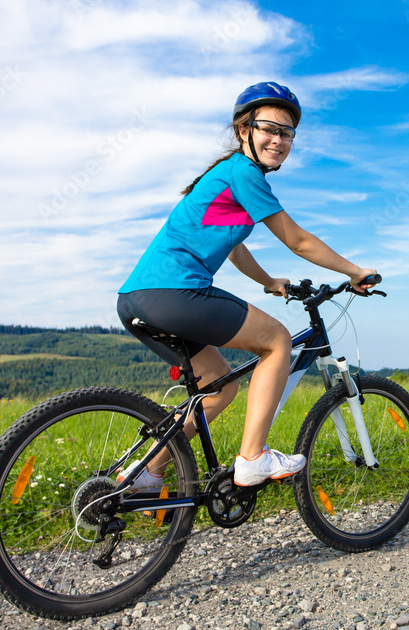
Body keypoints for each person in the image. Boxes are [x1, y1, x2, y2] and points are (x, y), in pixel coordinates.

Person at [116, 82, 376, 488]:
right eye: (269, 128)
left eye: (286, 133)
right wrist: (354, 271)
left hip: (137, 300)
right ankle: (253, 457)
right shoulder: (243, 171)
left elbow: (235, 250)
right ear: (244, 130)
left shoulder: (226, 177)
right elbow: (298, 240)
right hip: (176, 293)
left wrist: (269, 281)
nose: (278, 139)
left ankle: (147, 473)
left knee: (219, 389)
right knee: (276, 340)